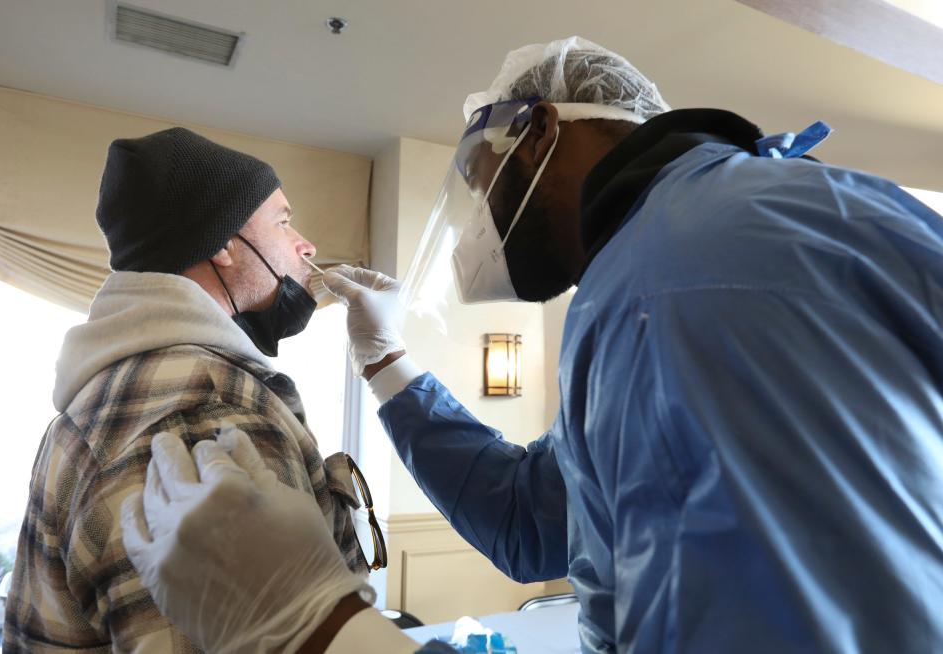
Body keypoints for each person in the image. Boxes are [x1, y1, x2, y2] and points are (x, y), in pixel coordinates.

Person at [125, 36, 943, 653]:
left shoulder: (667, 287)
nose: (479, 221)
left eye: (482, 184)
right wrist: (388, 364)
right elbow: (532, 520)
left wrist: (319, 625)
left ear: (542, 131)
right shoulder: (660, 275)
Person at [3, 128, 371, 652]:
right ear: (222, 243)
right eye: (284, 222)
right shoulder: (207, 415)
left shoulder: (102, 390)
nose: (305, 245)